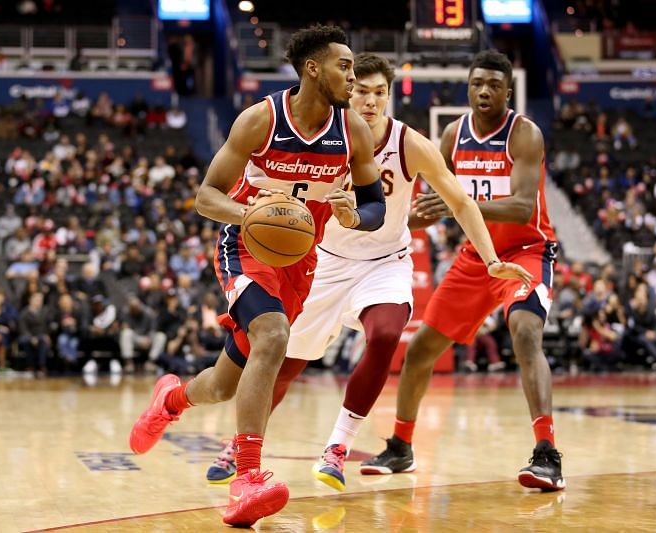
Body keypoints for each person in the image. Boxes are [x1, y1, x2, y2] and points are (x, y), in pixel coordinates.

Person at [203, 54, 531, 492]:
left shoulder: (408, 143)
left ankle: (338, 446)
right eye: (362, 91)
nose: (371, 101)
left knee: (383, 336)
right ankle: (239, 445)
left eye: (380, 93)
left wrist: (491, 259)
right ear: (347, 90)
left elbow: (461, 200)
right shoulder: (324, 137)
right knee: (283, 362)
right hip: (323, 261)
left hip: (384, 263)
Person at [128, 25, 388, 527]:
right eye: (345, 66)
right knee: (273, 335)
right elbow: (206, 196)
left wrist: (355, 216)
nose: (353, 78)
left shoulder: (352, 129)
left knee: (225, 384)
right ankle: (247, 479)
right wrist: (249, 215)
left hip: (301, 261)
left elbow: (374, 203)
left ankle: (171, 399)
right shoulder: (260, 120)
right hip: (246, 245)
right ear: (313, 69)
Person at [362, 50, 565, 492]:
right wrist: (387, 219)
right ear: (468, 89)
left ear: (508, 92)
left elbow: (522, 206)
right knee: (418, 351)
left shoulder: (524, 135)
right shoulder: (454, 135)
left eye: (493, 84)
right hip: (478, 255)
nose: (484, 91)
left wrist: (459, 206)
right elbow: (430, 206)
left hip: (527, 251)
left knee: (526, 333)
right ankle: (401, 446)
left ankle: (547, 453)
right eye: (477, 84)